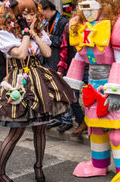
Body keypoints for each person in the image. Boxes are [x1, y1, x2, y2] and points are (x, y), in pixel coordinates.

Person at [63, 0, 120, 177]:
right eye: (83, 8)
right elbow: (79, 58)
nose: (87, 12)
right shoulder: (80, 27)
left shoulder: (116, 26)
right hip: (92, 86)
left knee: (117, 130)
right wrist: (71, 87)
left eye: (91, 7)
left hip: (110, 82)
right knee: (95, 128)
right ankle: (98, 165)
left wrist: (115, 92)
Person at [0, 0, 74, 182]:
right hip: (18, 81)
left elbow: (47, 53)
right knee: (17, 130)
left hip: (38, 80)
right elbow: (22, 54)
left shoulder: (38, 32)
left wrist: (34, 34)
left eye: (32, 13)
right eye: (24, 14)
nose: (29, 17)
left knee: (40, 128)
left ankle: (38, 166)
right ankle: (0, 171)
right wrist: (25, 34)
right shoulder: (4, 35)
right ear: (14, 16)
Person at [40, 0, 73, 133]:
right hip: (48, 59)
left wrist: (49, 37)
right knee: (53, 91)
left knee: (62, 91)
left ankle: (67, 119)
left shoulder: (63, 22)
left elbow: (65, 43)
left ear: (47, 9)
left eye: (41, 11)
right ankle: (58, 117)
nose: (41, 15)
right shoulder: (46, 22)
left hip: (59, 61)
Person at [57, 21, 88, 137]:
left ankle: (96, 126)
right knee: (71, 96)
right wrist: (61, 68)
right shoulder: (70, 26)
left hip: (93, 67)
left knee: (95, 98)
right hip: (75, 66)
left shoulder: (98, 23)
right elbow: (64, 49)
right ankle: (81, 121)